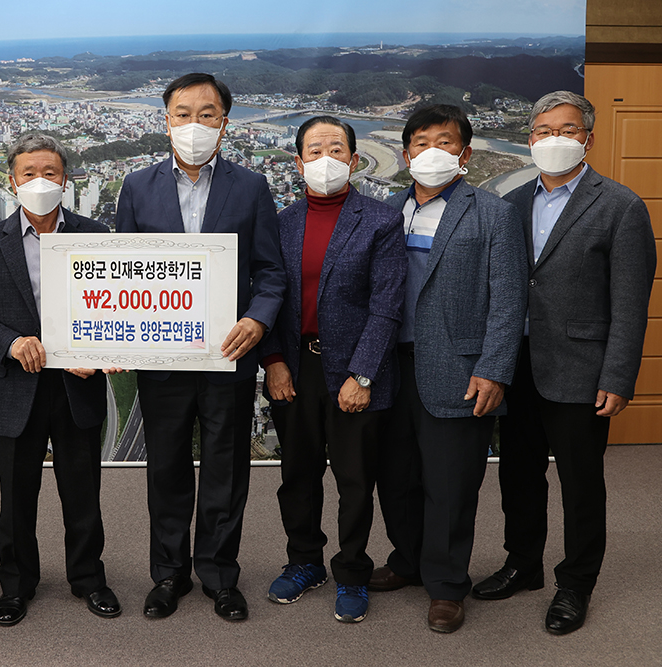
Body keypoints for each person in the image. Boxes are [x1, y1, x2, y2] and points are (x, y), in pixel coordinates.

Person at [472, 91, 656, 635]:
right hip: (518, 363)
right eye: (543, 130)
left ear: (588, 138)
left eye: (567, 129)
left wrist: (619, 376)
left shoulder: (620, 205)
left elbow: (630, 302)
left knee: (580, 483)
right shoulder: (512, 202)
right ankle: (523, 564)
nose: (554, 139)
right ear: (529, 139)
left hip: (582, 368)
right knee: (519, 475)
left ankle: (575, 583)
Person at [115, 73, 286, 622]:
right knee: (165, 468)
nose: (195, 124)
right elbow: (119, 274)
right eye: (182, 113)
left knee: (225, 467)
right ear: (165, 120)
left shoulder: (252, 186)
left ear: (224, 122)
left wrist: (258, 321)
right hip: (162, 359)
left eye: (207, 114)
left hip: (226, 354)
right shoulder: (137, 187)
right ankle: (168, 574)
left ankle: (219, 575)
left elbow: (270, 272)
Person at [371, 104, 527, 633]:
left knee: (450, 483)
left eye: (444, 141)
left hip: (460, 369)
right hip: (391, 366)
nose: (430, 151)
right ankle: (408, 560)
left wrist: (495, 369)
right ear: (406, 150)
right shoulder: (388, 210)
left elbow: (509, 299)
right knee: (396, 479)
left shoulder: (492, 212)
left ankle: (446, 584)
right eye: (419, 142)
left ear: (463, 153)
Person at [0, 133, 121, 626]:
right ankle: (16, 585)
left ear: (66, 179)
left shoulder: (96, 237)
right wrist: (8, 342)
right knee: (16, 497)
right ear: (12, 180)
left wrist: (99, 350)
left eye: (50, 172)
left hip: (77, 384)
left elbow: (118, 308)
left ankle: (89, 578)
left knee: (83, 492)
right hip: (14, 385)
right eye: (29, 173)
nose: (40, 181)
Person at [259, 116, 406, 623]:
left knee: (354, 479)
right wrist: (274, 361)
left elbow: (387, 305)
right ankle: (304, 562)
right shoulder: (281, 222)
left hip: (355, 369)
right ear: (298, 162)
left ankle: (351, 571)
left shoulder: (381, 220)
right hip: (295, 364)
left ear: (354, 158)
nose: (326, 158)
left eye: (336, 147)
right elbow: (270, 299)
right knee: (296, 474)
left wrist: (362, 375)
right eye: (314, 149)